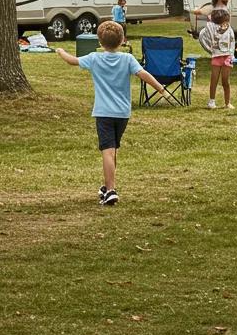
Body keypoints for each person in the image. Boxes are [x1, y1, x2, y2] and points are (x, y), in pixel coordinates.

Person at [56, 20, 167, 206]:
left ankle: (111, 190)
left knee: (107, 151)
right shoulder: (128, 59)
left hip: (104, 112)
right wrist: (159, 88)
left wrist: (60, 52)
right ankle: (107, 186)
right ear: (122, 40)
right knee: (113, 149)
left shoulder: (94, 58)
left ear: (99, 42)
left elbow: (72, 61)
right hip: (123, 113)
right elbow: (143, 74)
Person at [198, 6, 236, 110]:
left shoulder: (230, 30)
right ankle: (211, 102)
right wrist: (219, 31)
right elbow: (209, 38)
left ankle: (227, 103)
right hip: (216, 57)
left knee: (225, 81)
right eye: (224, 21)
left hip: (227, 57)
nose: (226, 23)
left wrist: (232, 55)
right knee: (214, 80)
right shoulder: (214, 29)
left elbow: (232, 43)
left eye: (227, 21)